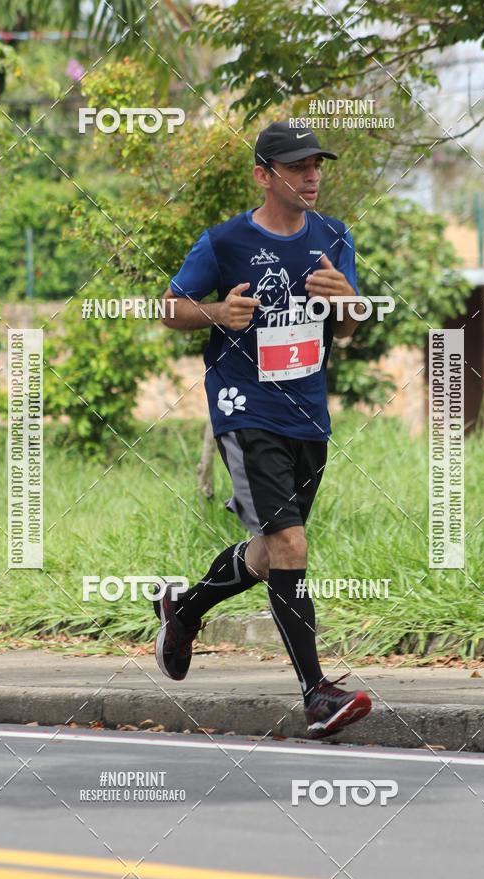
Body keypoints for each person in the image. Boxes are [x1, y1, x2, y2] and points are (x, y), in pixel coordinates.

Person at [156, 121, 371, 739]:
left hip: (307, 413)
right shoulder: (225, 243)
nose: (312, 176)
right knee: (292, 547)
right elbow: (170, 306)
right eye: (299, 166)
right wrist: (217, 312)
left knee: (271, 552)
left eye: (317, 165)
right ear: (263, 175)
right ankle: (317, 694)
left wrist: (347, 302)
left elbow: (350, 324)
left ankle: (184, 607)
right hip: (243, 410)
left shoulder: (333, 236)